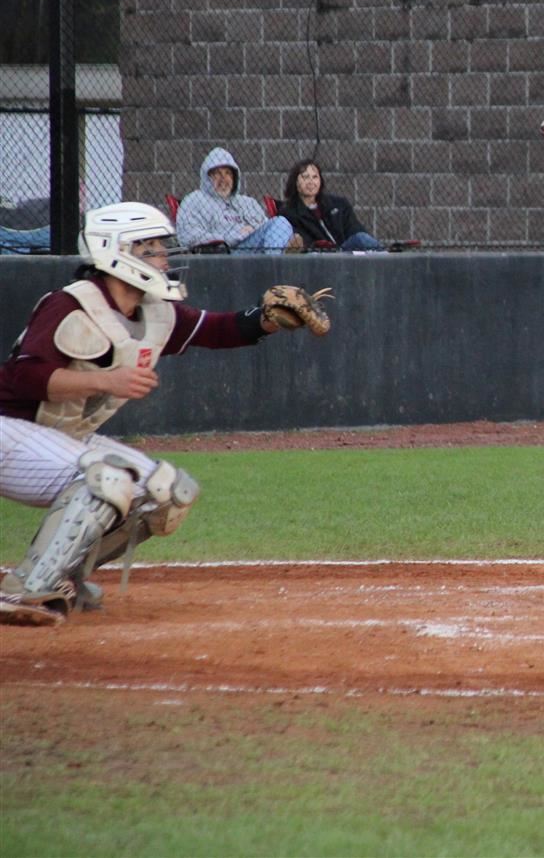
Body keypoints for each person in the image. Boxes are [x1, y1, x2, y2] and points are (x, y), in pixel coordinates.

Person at [0, 202, 316, 626]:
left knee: (165, 493)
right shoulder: (70, 305)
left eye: (161, 248)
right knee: (109, 479)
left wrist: (266, 321)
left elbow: (215, 329)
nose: (164, 258)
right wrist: (107, 382)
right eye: (151, 249)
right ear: (116, 251)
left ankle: (64, 576)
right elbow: (24, 378)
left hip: (55, 436)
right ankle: (26, 588)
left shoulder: (152, 310)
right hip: (8, 429)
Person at [176, 147, 302, 254]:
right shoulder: (194, 200)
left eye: (227, 173)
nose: (223, 178)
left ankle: (278, 261)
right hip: (222, 256)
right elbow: (188, 236)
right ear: (207, 177)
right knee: (279, 224)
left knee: (281, 223)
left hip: (254, 251)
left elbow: (268, 230)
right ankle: (277, 268)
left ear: (235, 176)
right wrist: (234, 237)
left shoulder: (247, 203)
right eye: (217, 173)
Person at [277, 159, 384, 252]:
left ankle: (389, 259)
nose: (311, 182)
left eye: (315, 177)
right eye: (305, 177)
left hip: (344, 252)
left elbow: (354, 229)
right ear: (295, 182)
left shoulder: (338, 204)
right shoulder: (290, 212)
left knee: (361, 238)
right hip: (320, 256)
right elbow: (303, 242)